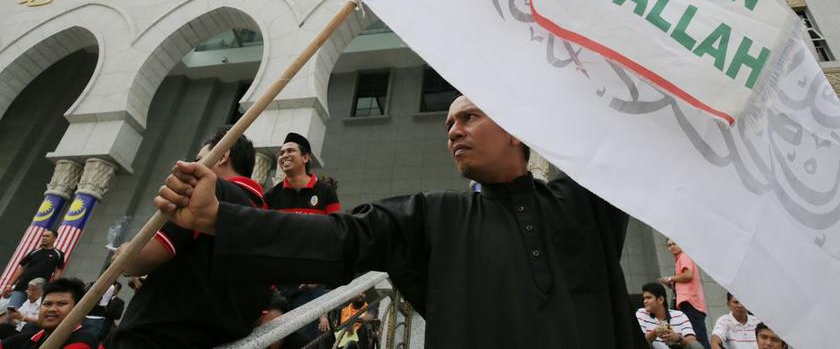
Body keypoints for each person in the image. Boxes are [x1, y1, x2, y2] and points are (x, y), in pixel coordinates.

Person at [154, 95, 648, 348]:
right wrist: (218, 218)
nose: (453, 130)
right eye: (448, 124)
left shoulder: (582, 205)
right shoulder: (434, 217)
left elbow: (625, 124)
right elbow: (343, 238)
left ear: (515, 129)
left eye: (469, 117)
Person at [112, 130, 272, 349]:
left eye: (198, 159)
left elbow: (141, 257)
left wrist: (124, 253)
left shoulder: (209, 193)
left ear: (222, 155)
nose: (194, 166)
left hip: (156, 337)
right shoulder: (267, 220)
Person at [264, 132, 341, 343]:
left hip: (310, 282)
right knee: (275, 340)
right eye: (281, 152)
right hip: (278, 283)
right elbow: (261, 236)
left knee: (306, 341)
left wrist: (320, 275)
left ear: (305, 157)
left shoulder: (325, 193)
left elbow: (336, 234)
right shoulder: (272, 196)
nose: (283, 155)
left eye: (290, 151)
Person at [0, 278, 99, 349]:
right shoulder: (29, 338)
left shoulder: (83, 341)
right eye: (47, 304)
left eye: (61, 304)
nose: (52, 309)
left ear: (78, 309)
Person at [660, 239, 710, 349]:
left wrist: (669, 278)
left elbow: (688, 275)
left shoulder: (684, 256)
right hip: (685, 303)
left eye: (674, 244)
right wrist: (670, 283)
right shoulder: (679, 259)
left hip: (690, 303)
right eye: (669, 245)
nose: (672, 247)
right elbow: (682, 283)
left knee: (697, 337)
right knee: (687, 337)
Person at [2, 231, 64, 310]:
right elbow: (21, 268)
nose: (44, 238)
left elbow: (58, 272)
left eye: (47, 236)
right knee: (11, 312)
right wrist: (9, 285)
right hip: (21, 287)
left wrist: (52, 288)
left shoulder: (58, 254)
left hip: (38, 291)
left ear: (54, 239)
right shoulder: (34, 251)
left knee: (28, 314)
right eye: (43, 236)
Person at [635, 282, 701, 348]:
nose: (645, 301)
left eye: (648, 298)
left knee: (695, 345)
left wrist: (678, 338)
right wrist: (655, 333)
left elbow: (692, 340)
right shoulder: (641, 313)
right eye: (644, 298)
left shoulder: (680, 315)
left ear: (660, 299)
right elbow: (638, 342)